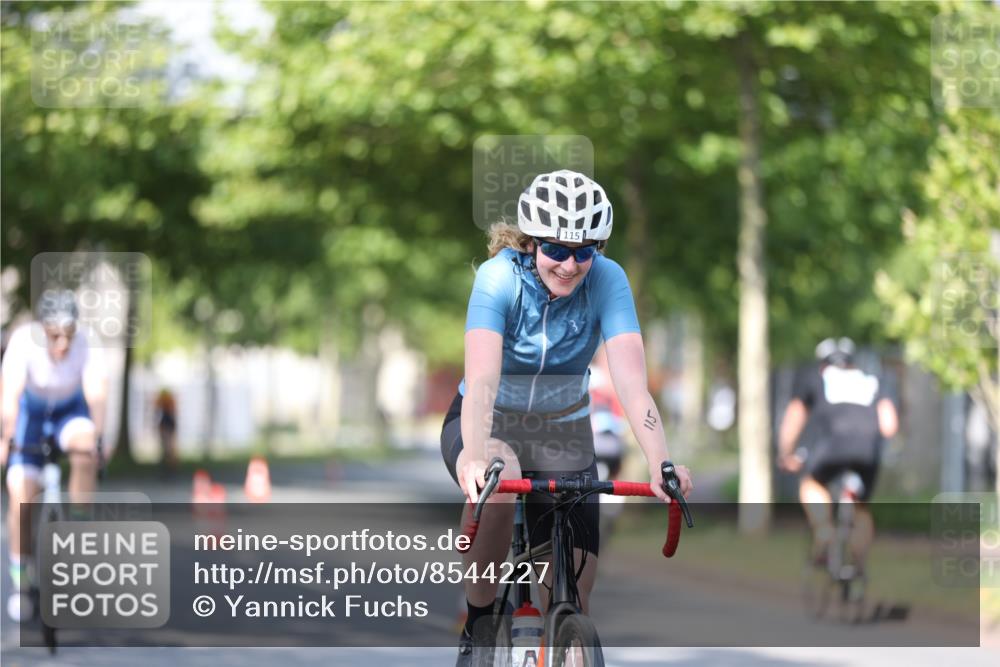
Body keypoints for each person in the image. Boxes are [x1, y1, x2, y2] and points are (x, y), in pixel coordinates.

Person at [439, 169, 693, 664]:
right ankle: (479, 624)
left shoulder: (608, 279)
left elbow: (632, 384)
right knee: (499, 473)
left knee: (575, 594)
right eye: (557, 249)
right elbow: (483, 383)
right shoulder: (499, 278)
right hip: (490, 422)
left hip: (563, 430)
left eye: (585, 251)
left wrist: (662, 463)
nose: (571, 265)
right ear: (532, 242)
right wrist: (473, 455)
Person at [0, 289, 108, 621]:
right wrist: (6, 438)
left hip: (67, 412)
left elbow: (97, 395)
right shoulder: (22, 343)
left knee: (85, 447)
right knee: (21, 500)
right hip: (29, 416)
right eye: (54, 335)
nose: (62, 343)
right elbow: (10, 392)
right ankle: (21, 583)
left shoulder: (87, 344)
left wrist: (98, 439)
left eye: (69, 335)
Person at [777, 337, 898, 576]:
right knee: (861, 508)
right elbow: (889, 425)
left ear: (823, 363)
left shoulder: (817, 378)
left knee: (811, 484)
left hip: (833, 446)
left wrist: (786, 453)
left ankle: (825, 533)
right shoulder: (873, 381)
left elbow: (794, 417)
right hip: (867, 450)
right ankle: (858, 563)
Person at [153, 387, 178, 477]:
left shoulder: (167, 406)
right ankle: (168, 469)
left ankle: (169, 469)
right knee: (167, 450)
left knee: (168, 450)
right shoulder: (166, 406)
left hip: (167, 427)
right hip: (166, 427)